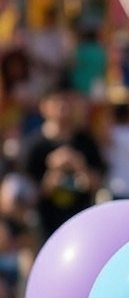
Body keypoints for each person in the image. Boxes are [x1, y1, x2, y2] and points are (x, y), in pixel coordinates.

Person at [21, 84, 106, 241]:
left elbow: (99, 183)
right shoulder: (34, 146)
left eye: (66, 101)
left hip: (80, 224)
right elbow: (27, 196)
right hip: (46, 227)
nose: (62, 106)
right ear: (44, 106)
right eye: (56, 101)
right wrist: (52, 173)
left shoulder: (86, 141)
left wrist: (80, 167)